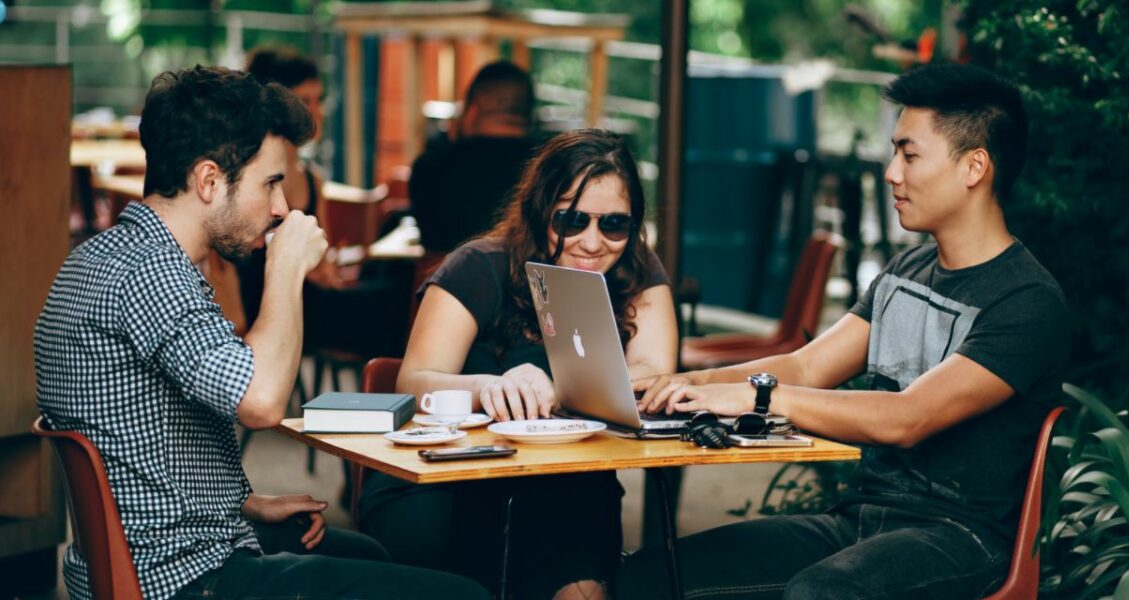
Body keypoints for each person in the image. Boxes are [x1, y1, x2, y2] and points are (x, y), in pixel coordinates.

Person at [34, 65, 488, 600]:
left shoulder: (104, 257)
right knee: (463, 595)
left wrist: (241, 503)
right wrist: (286, 266)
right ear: (208, 181)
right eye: (271, 182)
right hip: (182, 579)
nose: (282, 207)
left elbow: (136, 439)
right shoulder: (152, 273)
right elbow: (262, 401)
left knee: (364, 554)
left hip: (145, 557)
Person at [618, 64, 1070, 600]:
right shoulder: (906, 272)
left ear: (975, 167)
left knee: (822, 594)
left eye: (909, 154)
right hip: (860, 521)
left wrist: (756, 396)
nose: (891, 173)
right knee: (647, 579)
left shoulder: (1026, 300)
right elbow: (809, 365)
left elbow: (909, 418)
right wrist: (687, 383)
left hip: (961, 538)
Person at [357, 129, 678, 599]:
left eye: (613, 224)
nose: (593, 242)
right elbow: (412, 381)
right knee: (553, 519)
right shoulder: (479, 265)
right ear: (539, 212)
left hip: (564, 478)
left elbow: (653, 373)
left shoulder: (634, 269)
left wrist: (558, 388)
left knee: (573, 505)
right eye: (571, 221)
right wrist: (493, 386)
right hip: (449, 476)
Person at [240, 45, 407, 358]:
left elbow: (324, 260)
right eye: (304, 101)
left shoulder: (313, 179)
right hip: (274, 303)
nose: (314, 112)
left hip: (313, 299)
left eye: (318, 100)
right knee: (398, 301)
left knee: (396, 283)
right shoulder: (249, 176)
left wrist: (328, 265)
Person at [409, 60, 542, 253]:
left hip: (448, 280)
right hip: (527, 281)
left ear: (471, 111)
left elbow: (431, 243)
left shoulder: (431, 166)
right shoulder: (550, 166)